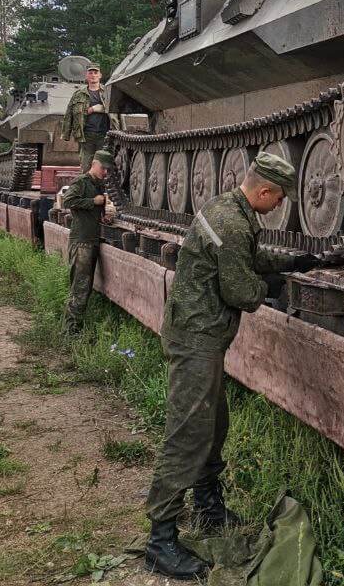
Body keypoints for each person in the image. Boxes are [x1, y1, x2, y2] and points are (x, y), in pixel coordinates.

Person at [143, 152, 315, 579]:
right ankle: (160, 540)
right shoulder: (233, 223)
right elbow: (241, 290)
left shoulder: (225, 208)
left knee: (213, 425)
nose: (279, 206)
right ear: (263, 191)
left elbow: (243, 258)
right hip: (197, 340)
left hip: (201, 335)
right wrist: (273, 287)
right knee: (188, 433)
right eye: (278, 199)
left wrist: (290, 263)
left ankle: (207, 505)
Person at [59, 149, 116, 334]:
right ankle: (71, 331)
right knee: (80, 288)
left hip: (91, 241)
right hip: (82, 242)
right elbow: (67, 201)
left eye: (108, 170)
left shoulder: (98, 185)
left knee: (85, 288)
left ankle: (73, 328)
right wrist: (93, 201)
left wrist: (102, 217)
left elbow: (92, 209)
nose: (105, 173)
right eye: (103, 168)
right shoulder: (82, 182)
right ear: (93, 164)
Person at [62, 63, 119, 170]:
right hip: (86, 136)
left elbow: (116, 109)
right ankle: (87, 186)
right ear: (86, 76)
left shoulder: (108, 92)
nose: (93, 75)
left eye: (95, 73)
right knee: (86, 166)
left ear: (100, 75)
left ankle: (101, 187)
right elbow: (69, 114)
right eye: (90, 73)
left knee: (103, 167)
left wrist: (97, 108)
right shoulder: (78, 94)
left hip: (105, 135)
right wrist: (66, 134)